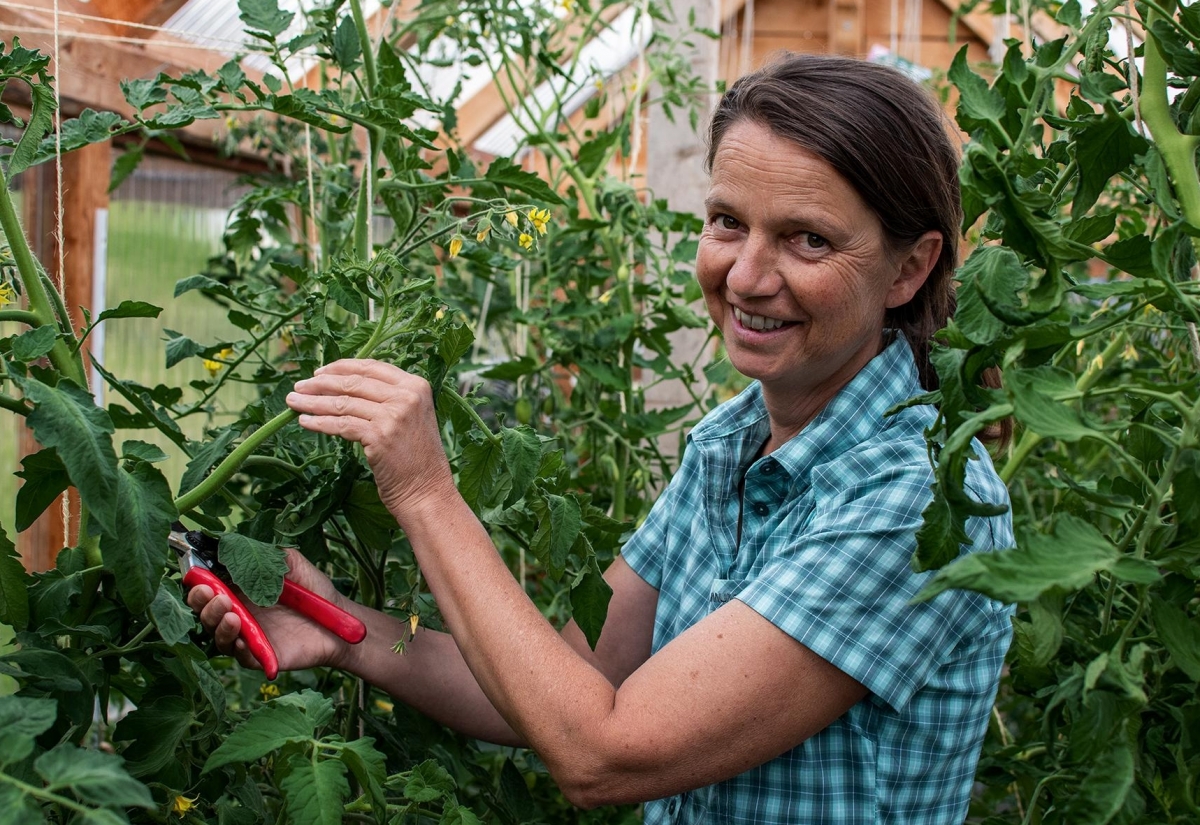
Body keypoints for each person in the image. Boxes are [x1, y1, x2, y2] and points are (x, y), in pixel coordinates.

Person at [189, 52, 1014, 824]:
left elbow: (599, 750)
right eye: (729, 222)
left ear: (908, 269)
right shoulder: (732, 442)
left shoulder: (920, 498)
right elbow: (568, 682)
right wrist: (340, 626)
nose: (747, 275)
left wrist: (425, 492)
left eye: (809, 239)